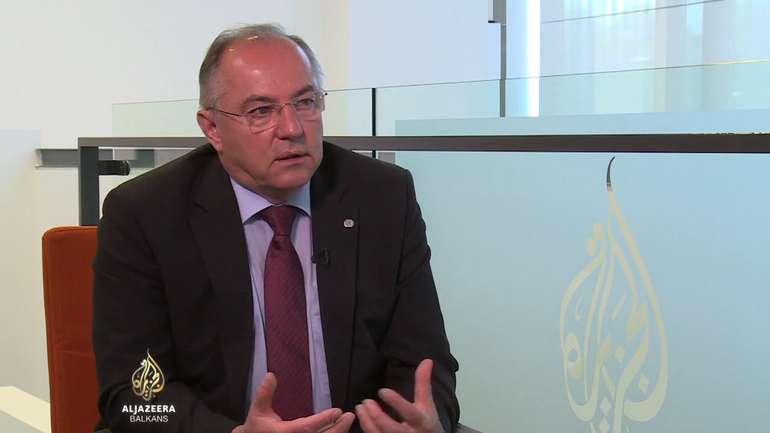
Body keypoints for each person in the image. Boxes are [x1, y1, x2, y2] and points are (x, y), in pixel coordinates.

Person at [92, 23, 458, 433]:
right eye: (261, 111)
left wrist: (425, 422)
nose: (292, 128)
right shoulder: (144, 214)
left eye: (305, 102)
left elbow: (425, 362)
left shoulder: (382, 196)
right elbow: (132, 398)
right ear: (212, 128)